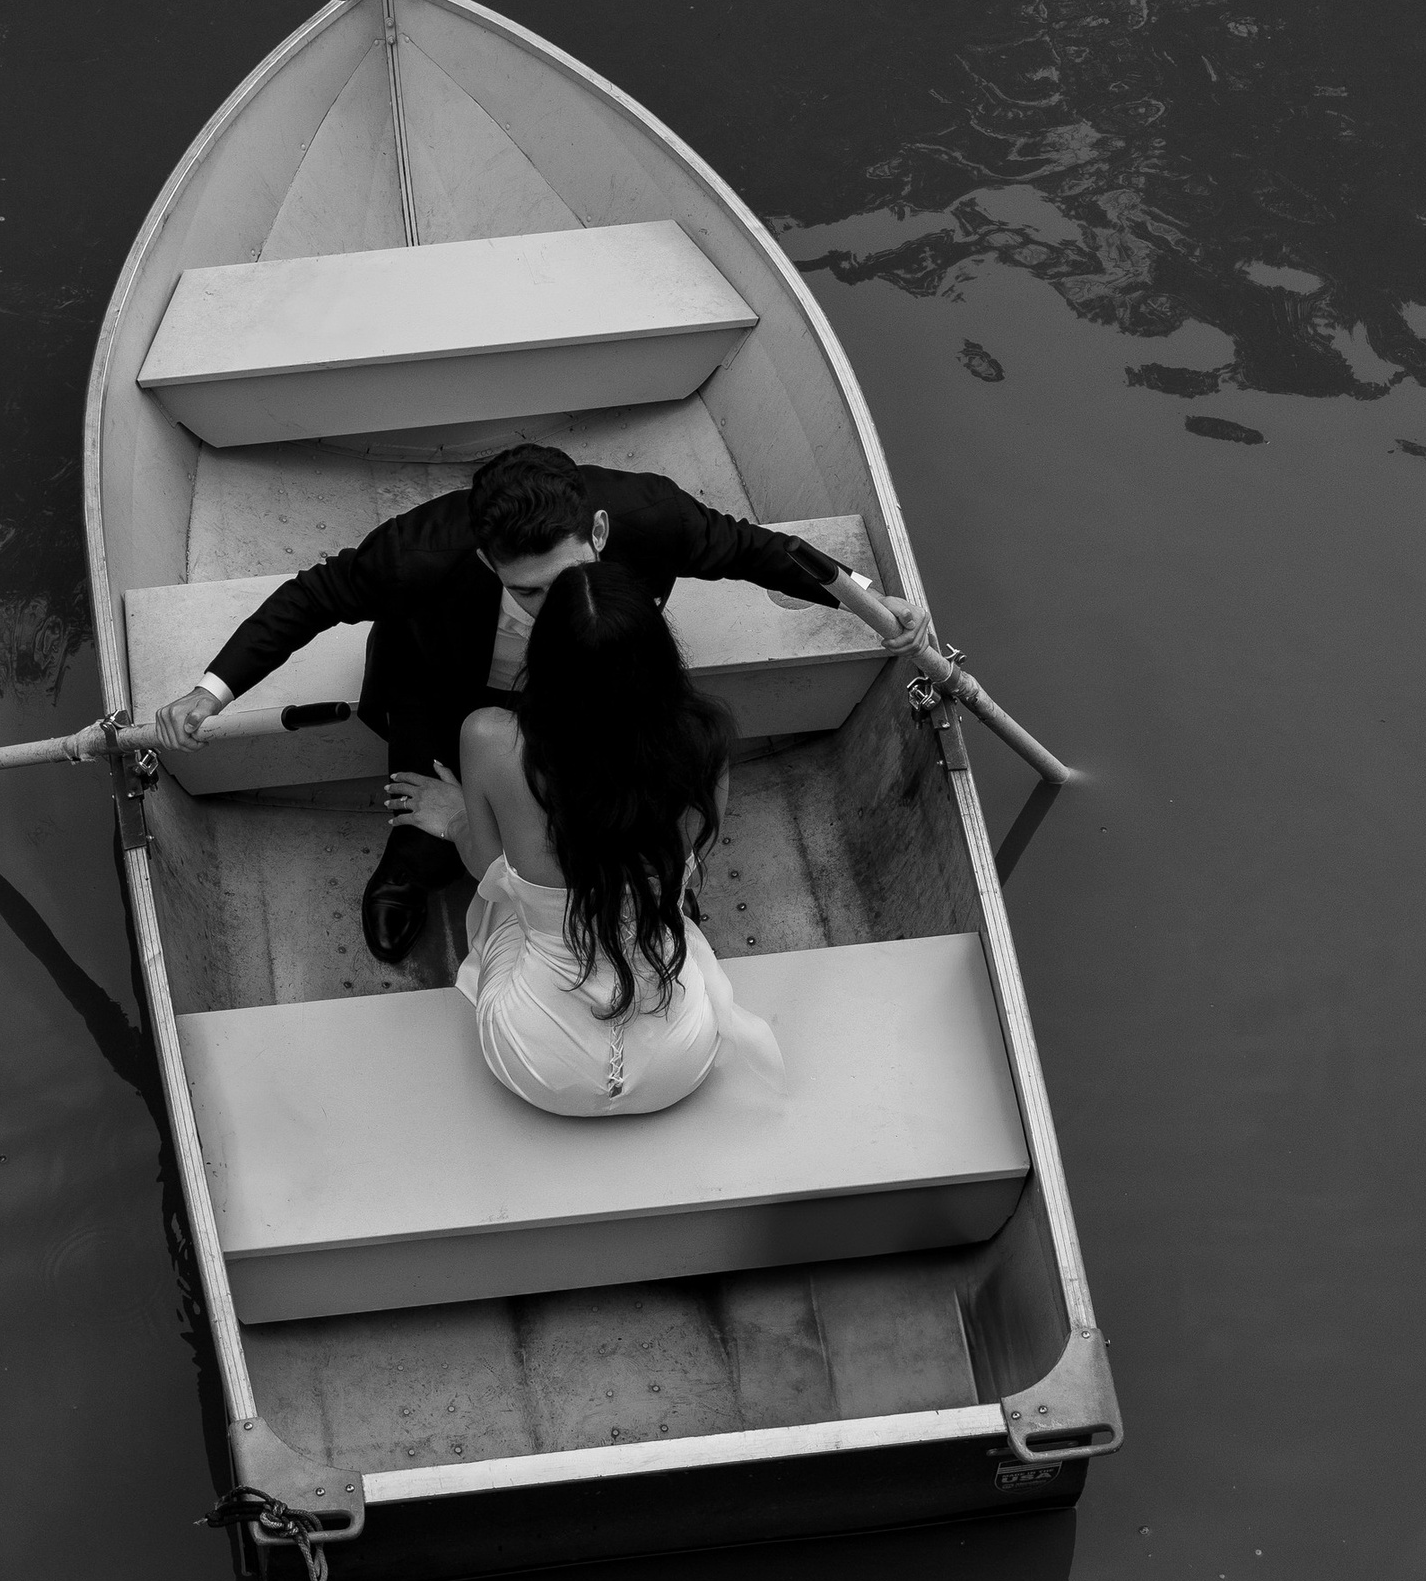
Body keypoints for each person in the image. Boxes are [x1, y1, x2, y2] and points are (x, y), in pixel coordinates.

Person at [148, 438, 924, 962]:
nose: (554, 613)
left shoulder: (654, 516)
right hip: (451, 688)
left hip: (603, 677)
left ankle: (651, 885)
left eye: (565, 580)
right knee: (426, 794)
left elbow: (763, 551)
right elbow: (311, 598)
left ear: (600, 531)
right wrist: (209, 693)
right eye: (526, 591)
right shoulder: (419, 552)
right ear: (487, 560)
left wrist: (870, 603)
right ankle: (414, 862)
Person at [388, 559, 783, 1118]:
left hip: (537, 1066)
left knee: (506, 903)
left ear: (544, 657)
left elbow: (487, 869)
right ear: (659, 653)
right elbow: (692, 859)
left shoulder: (489, 737)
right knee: (659, 900)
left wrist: (455, 819)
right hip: (680, 1063)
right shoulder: (705, 740)